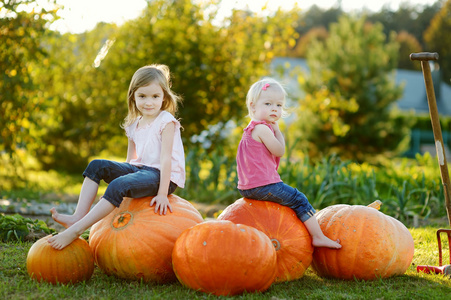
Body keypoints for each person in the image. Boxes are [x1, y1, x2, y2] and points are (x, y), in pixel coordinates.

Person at [48, 64, 185, 250]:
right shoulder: (134, 124)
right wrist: (125, 181)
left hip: (163, 176)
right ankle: (77, 217)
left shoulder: (166, 122)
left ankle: (76, 230)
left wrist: (162, 194)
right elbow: (130, 161)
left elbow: (166, 159)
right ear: (133, 97)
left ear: (164, 98)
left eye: (155, 96)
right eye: (142, 96)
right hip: (141, 170)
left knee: (118, 185)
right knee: (96, 165)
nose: (149, 102)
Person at [236, 78, 341, 249]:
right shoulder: (262, 129)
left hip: (248, 186)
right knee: (299, 199)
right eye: (268, 104)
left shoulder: (250, 128)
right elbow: (279, 151)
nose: (274, 109)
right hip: (263, 185)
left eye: (278, 105)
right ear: (253, 106)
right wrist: (278, 131)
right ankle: (318, 236)